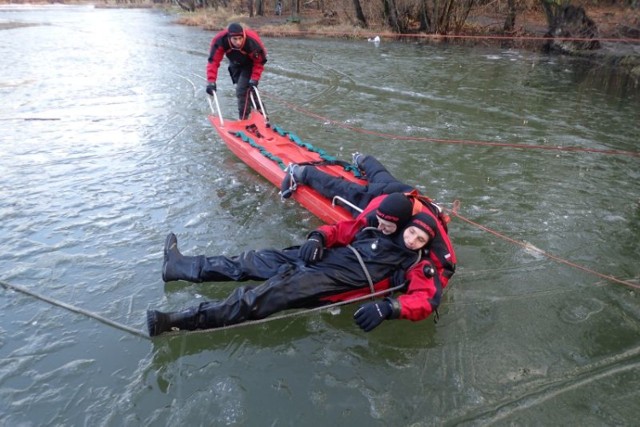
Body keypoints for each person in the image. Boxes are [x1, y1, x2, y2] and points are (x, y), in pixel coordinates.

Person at [147, 204, 442, 337]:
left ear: (426, 243)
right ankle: (180, 267)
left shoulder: (416, 264)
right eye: (413, 232)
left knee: (254, 299)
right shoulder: (378, 228)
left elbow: (426, 300)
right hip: (319, 258)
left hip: (324, 283)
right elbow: (340, 229)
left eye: (421, 239)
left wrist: (389, 307)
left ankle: (176, 321)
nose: (412, 239)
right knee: (250, 261)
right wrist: (318, 237)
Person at [281, 153, 457, 290]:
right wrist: (319, 238)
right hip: (391, 194)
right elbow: (355, 230)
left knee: (383, 177)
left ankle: (363, 159)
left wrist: (416, 281)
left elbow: (447, 267)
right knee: (349, 191)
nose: (412, 241)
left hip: (407, 193)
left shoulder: (429, 229)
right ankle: (300, 172)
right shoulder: (377, 212)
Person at [205, 23, 268, 120]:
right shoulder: (220, 40)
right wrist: (211, 82)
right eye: (235, 39)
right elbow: (213, 61)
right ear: (229, 37)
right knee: (248, 90)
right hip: (235, 63)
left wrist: (255, 79)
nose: (238, 42)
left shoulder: (252, 42)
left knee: (241, 91)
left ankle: (243, 119)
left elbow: (259, 62)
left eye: (240, 38)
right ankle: (263, 114)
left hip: (250, 64)